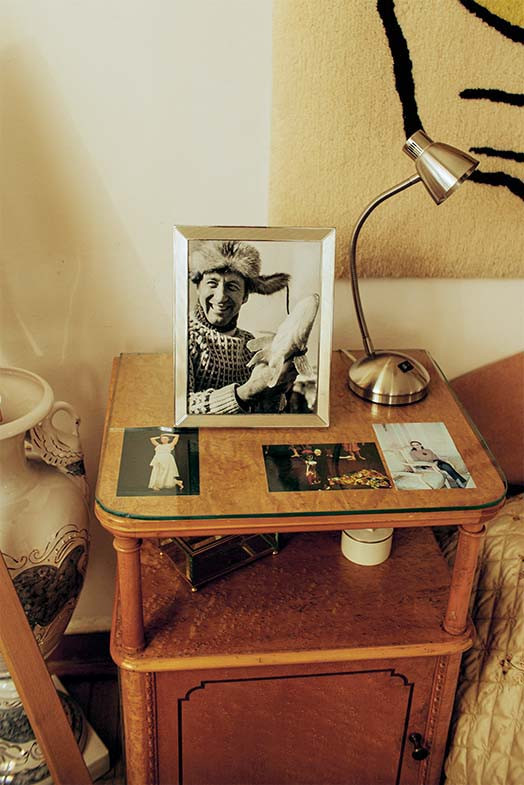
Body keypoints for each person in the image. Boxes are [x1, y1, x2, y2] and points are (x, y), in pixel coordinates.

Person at [187, 240, 296, 414]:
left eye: (232, 287)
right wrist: (246, 392)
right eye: (212, 283)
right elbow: (180, 408)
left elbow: (262, 412)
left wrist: (277, 389)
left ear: (245, 296)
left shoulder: (250, 344)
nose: (221, 297)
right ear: (198, 288)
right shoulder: (185, 337)